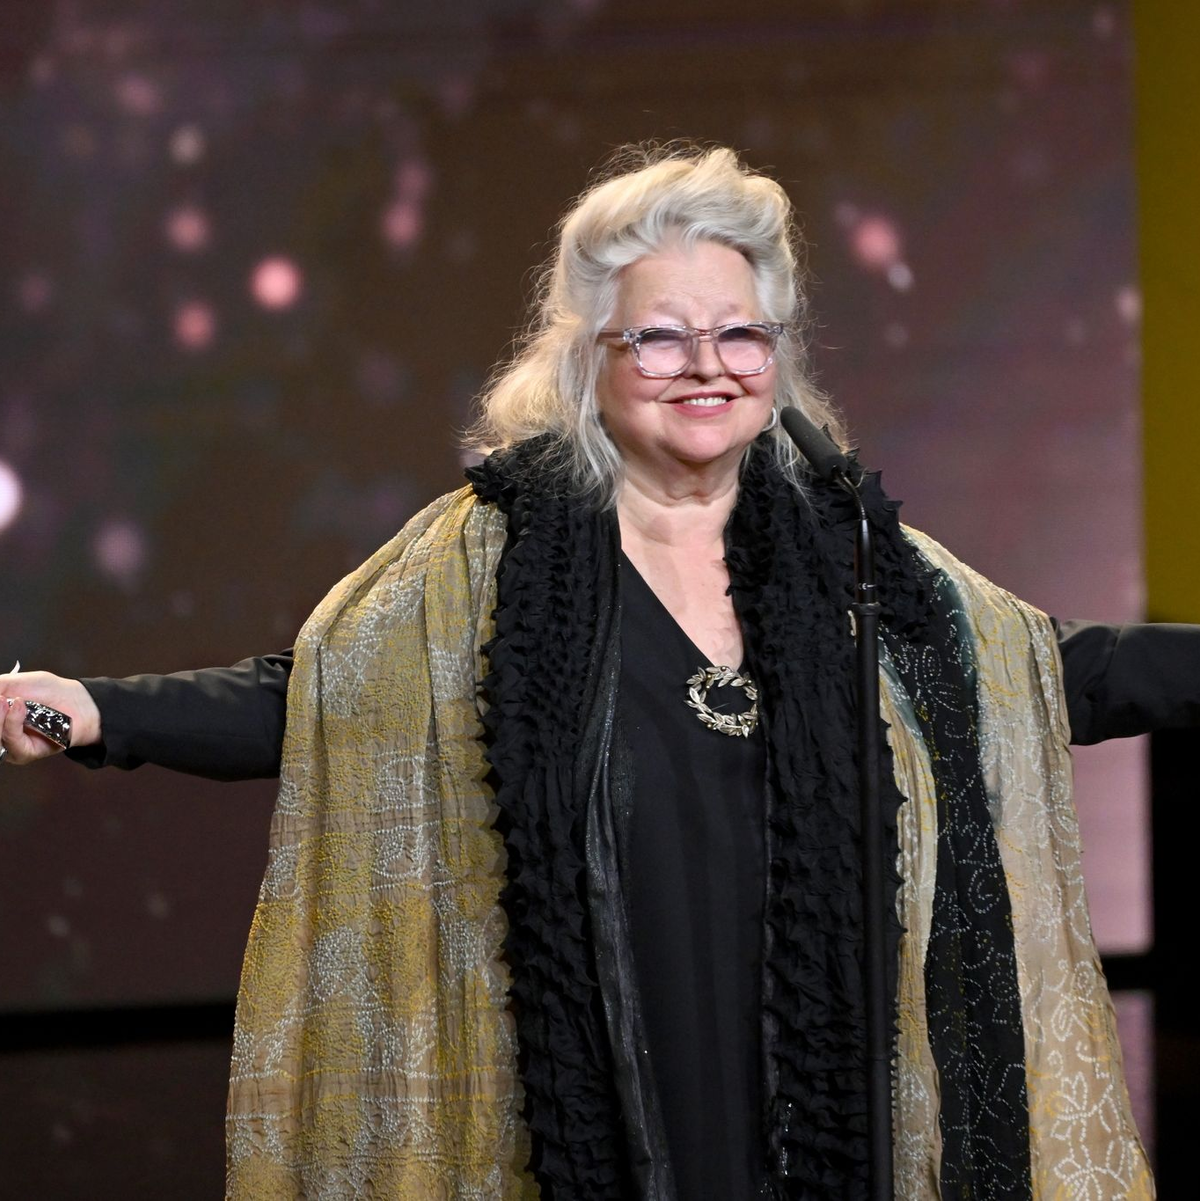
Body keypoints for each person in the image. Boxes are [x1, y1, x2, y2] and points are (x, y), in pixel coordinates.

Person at [1, 145, 1184, 1201]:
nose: (707, 367)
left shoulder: (852, 553)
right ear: (591, 356)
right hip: (598, 1084)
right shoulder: (492, 559)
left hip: (827, 1093)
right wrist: (97, 710)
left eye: (741, 334)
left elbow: (1040, 669)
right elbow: (316, 699)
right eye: (662, 336)